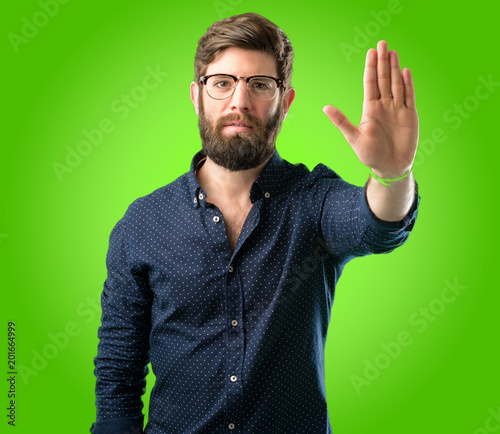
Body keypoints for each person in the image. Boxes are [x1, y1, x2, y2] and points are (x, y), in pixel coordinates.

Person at [91, 12, 420, 434]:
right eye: (222, 82)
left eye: (260, 85)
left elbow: (376, 223)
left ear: (285, 101)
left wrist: (391, 174)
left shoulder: (314, 199)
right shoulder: (143, 223)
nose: (240, 102)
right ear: (197, 96)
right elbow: (118, 370)